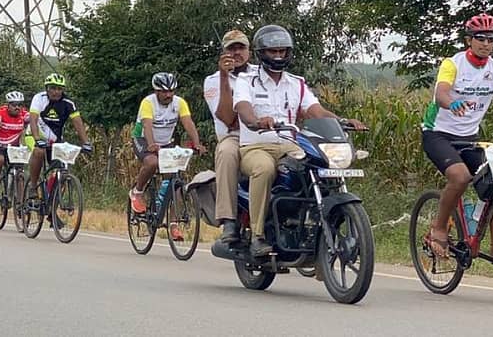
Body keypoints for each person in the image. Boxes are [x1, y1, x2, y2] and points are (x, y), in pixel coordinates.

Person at [232, 25, 367, 256]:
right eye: (272, 51)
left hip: (289, 145)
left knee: (318, 167)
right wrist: (256, 120)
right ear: (261, 53)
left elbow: (316, 111)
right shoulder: (247, 80)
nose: (278, 56)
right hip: (256, 146)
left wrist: (343, 121)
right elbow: (243, 109)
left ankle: (314, 231)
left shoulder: (296, 83)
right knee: (264, 169)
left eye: (282, 51)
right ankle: (257, 236)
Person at [422, 13, 493, 259]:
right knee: (460, 176)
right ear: (469, 40)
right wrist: (452, 103)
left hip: (470, 138)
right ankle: (439, 227)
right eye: (480, 38)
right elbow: (441, 93)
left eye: (491, 39)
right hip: (439, 135)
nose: (486, 43)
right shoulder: (453, 64)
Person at [128, 72, 206, 240]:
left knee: (174, 180)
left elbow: (188, 123)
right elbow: (147, 126)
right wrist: (150, 144)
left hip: (166, 141)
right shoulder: (148, 103)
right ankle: (137, 192)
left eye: (171, 91)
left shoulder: (179, 103)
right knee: (152, 162)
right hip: (142, 138)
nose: (168, 95)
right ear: (156, 91)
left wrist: (196, 143)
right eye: (164, 92)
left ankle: (173, 223)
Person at [202, 30, 259, 242]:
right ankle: (228, 220)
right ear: (223, 52)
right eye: (231, 48)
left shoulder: (261, 73)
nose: (237, 53)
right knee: (226, 154)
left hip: (264, 133)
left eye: (241, 48)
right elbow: (228, 118)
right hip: (234, 136)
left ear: (249, 51)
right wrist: (225, 77)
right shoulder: (212, 81)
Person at [27, 73, 92, 196]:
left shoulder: (68, 103)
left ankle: (52, 204)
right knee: (39, 152)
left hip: (55, 140)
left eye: (59, 89)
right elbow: (33, 119)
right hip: (33, 135)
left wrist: (86, 143)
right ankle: (33, 186)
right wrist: (36, 138)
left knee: (62, 171)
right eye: (53, 88)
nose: (56, 92)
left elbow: (78, 123)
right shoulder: (39, 98)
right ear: (47, 88)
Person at [0, 91, 30, 200]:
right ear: (8, 105)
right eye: (14, 105)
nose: (17, 107)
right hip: (0, 144)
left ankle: (21, 202)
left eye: (20, 105)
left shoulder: (24, 114)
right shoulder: (0, 113)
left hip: (14, 147)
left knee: (19, 171)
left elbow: (34, 120)